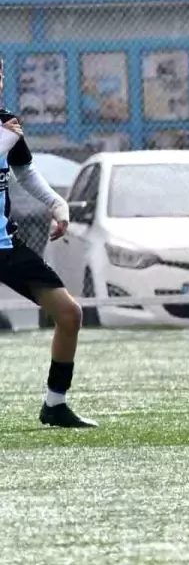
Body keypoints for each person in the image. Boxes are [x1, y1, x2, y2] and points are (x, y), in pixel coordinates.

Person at [0, 62, 92, 428]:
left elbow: (24, 171)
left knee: (69, 314)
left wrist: (56, 203)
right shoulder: (5, 133)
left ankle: (55, 404)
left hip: (6, 245)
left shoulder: (6, 123)